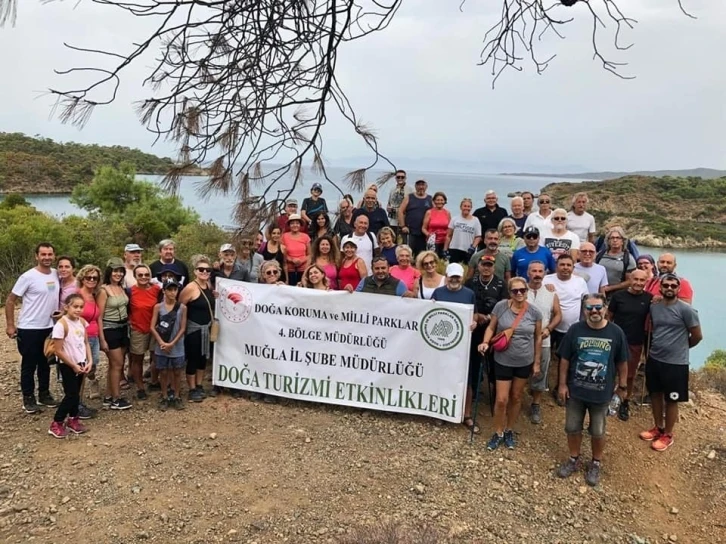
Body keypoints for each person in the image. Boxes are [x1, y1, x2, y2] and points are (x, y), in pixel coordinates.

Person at [556, 293, 629, 487]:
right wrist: (562, 385)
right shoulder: (575, 330)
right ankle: (573, 459)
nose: (594, 311)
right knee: (572, 427)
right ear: (584, 310)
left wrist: (622, 386)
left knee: (598, 431)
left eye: (598, 307)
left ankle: (596, 463)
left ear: (605, 308)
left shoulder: (616, 332)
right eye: (589, 308)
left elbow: (622, 361)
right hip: (576, 391)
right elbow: (564, 359)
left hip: (602, 394)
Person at [639, 274, 702, 452]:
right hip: (656, 358)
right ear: (660, 287)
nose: (669, 288)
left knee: (672, 399)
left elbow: (697, 336)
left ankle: (668, 434)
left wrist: (682, 348)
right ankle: (658, 427)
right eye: (666, 285)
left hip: (676, 363)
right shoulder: (655, 307)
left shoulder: (686, 310)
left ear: (678, 288)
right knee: (656, 395)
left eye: (673, 286)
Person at [478, 277, 542, 451]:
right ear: (510, 292)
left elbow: (537, 337)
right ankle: (497, 431)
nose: (519, 293)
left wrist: (536, 362)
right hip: (503, 359)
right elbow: (491, 327)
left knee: (516, 397)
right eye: (515, 291)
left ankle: (509, 429)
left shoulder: (535, 312)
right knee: (501, 399)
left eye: (522, 290)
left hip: (524, 360)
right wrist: (485, 341)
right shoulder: (501, 307)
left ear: (527, 291)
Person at [5, 242, 60, 413]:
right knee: (29, 364)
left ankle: (44, 394)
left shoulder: (56, 274)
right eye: (43, 254)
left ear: (54, 256)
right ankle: (28, 398)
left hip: (49, 326)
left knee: (46, 362)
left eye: (50, 254)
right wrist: (10, 325)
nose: (47, 258)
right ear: (36, 256)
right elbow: (10, 300)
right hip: (29, 327)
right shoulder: (28, 277)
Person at [607, 269, 653, 421]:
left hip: (635, 342)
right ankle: (607, 398)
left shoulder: (649, 299)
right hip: (616, 340)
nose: (639, 283)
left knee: (630, 375)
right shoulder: (618, 297)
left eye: (642, 280)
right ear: (630, 279)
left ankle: (624, 401)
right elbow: (609, 318)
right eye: (636, 279)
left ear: (646, 281)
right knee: (611, 371)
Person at [543, 254, 589, 398]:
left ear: (573, 267)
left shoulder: (580, 282)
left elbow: (586, 303)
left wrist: (587, 324)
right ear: (556, 266)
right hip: (549, 326)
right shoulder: (547, 279)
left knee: (565, 359)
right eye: (562, 264)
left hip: (570, 328)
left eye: (568, 265)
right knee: (545, 357)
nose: (565, 268)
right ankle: (540, 385)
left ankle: (560, 387)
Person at [47, 293, 93, 438]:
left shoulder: (82, 322)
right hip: (67, 364)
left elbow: (85, 343)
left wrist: (89, 360)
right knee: (71, 394)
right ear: (67, 307)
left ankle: (73, 419)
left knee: (76, 393)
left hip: (81, 363)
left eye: (81, 307)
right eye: (75, 307)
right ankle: (57, 422)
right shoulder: (61, 325)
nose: (78, 310)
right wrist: (72, 365)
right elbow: (58, 350)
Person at [526, 261, 562, 424]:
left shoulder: (551, 293)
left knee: (540, 372)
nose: (537, 274)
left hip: (544, 340)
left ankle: (536, 403)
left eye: (540, 271)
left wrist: (549, 330)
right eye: (534, 271)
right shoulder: (520, 290)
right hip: (522, 339)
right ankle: (515, 399)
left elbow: (558, 315)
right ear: (528, 273)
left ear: (544, 273)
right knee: (519, 371)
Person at [179, 256, 216, 403]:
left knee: (202, 358)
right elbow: (181, 307)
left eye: (208, 270)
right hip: (194, 330)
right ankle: (192, 388)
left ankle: (199, 384)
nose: (205, 272)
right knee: (193, 359)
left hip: (206, 329)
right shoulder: (190, 288)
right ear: (195, 271)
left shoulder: (209, 286)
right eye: (201, 269)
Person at [98, 257, 131, 410]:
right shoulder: (104, 290)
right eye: (115, 271)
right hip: (109, 329)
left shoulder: (121, 288)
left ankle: (108, 396)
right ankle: (117, 399)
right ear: (109, 272)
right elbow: (99, 316)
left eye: (120, 271)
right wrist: (102, 339)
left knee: (114, 364)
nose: (118, 274)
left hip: (123, 327)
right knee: (118, 364)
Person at [150, 279, 187, 410]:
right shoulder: (158, 307)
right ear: (164, 291)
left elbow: (183, 328)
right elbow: (152, 327)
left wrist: (172, 343)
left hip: (176, 344)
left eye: (175, 290)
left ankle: (176, 395)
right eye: (170, 290)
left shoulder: (182, 308)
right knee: (163, 371)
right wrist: (161, 342)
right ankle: (164, 396)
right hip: (162, 345)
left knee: (177, 371)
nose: (173, 293)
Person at [128, 264, 161, 400]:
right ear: (135, 276)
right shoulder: (130, 291)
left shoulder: (156, 290)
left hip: (155, 328)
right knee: (138, 359)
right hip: (137, 329)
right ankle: (140, 387)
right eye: (140, 275)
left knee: (156, 356)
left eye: (146, 274)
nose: (143, 277)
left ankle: (154, 381)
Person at [76, 264, 102, 408]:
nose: (91, 280)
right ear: (82, 278)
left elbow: (98, 317)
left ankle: (91, 383)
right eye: (88, 277)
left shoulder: (94, 295)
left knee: (91, 366)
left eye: (95, 278)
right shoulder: (77, 295)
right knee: (81, 370)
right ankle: (77, 403)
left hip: (94, 336)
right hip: (81, 338)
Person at [596, 226, 635, 297]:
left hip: (618, 295)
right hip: (598, 293)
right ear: (608, 241)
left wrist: (610, 288)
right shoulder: (600, 255)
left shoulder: (628, 258)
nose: (615, 240)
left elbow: (630, 281)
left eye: (618, 238)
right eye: (612, 238)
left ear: (623, 241)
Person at [398, 179, 433, 255]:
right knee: (408, 253)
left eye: (422, 185)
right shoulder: (409, 197)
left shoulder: (430, 199)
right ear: (415, 186)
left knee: (422, 254)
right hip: (410, 232)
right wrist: (403, 226)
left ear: (426, 186)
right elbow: (400, 211)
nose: (421, 187)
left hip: (423, 233)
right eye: (419, 185)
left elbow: (434, 213)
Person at [444, 197, 482, 264]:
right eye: (464, 206)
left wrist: (473, 247)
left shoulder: (475, 220)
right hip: (454, 249)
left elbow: (478, 236)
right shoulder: (454, 219)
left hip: (468, 250)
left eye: (468, 206)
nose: (466, 208)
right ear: (461, 207)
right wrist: (445, 249)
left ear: (471, 208)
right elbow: (448, 235)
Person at [282, 214, 311, 286]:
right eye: (292, 223)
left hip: (303, 270)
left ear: (300, 225)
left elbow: (310, 254)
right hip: (289, 271)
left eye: (297, 223)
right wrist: (292, 260)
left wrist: (301, 261)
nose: (295, 225)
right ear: (289, 225)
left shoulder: (305, 237)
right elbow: (282, 253)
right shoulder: (284, 236)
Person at [422, 191, 451, 258]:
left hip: (444, 242)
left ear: (444, 201)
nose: (439, 202)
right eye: (437, 200)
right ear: (434, 201)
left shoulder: (447, 213)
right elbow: (423, 228)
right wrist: (429, 235)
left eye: (441, 200)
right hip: (432, 241)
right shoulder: (429, 212)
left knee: (443, 260)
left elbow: (450, 228)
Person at [386, 169, 412, 237]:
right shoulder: (392, 189)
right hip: (392, 221)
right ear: (395, 178)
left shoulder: (410, 190)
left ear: (405, 178)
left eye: (402, 177)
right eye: (398, 177)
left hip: (403, 222)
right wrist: (388, 208)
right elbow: (389, 202)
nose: (400, 178)